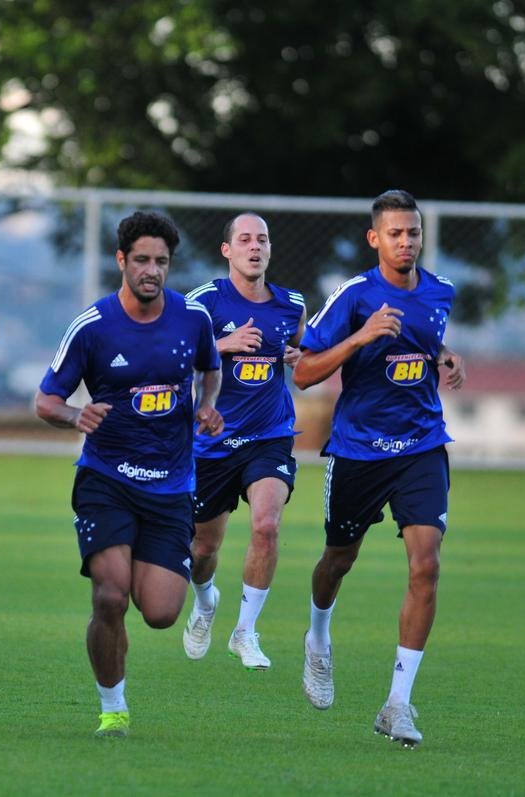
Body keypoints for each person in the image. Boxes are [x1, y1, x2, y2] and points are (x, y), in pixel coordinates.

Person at [36, 210, 223, 738]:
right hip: (106, 479)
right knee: (110, 596)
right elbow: (45, 400)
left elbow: (212, 369)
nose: (152, 270)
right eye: (142, 259)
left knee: (161, 612)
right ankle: (112, 707)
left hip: (171, 485)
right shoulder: (92, 326)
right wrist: (76, 415)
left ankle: (193, 590)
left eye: (161, 261)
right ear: (121, 261)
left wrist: (208, 406)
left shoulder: (193, 318)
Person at [293, 189, 466, 748]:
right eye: (395, 233)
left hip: (421, 447)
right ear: (375, 239)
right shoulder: (353, 297)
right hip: (360, 451)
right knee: (338, 560)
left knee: (427, 565)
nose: (406, 241)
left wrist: (444, 357)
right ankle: (317, 637)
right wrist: (362, 336)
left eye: (413, 232)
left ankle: (398, 703)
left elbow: (423, 341)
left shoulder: (441, 292)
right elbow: (304, 373)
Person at [181, 212, 306, 670]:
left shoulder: (291, 303)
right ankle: (205, 602)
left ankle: (245, 631)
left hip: (269, 436)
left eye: (263, 239)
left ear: (270, 250)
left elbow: (305, 350)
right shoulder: (205, 301)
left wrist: (300, 355)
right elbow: (169, 353)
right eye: (246, 239)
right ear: (227, 250)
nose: (256, 246)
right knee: (202, 551)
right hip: (212, 442)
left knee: (267, 526)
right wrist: (222, 346)